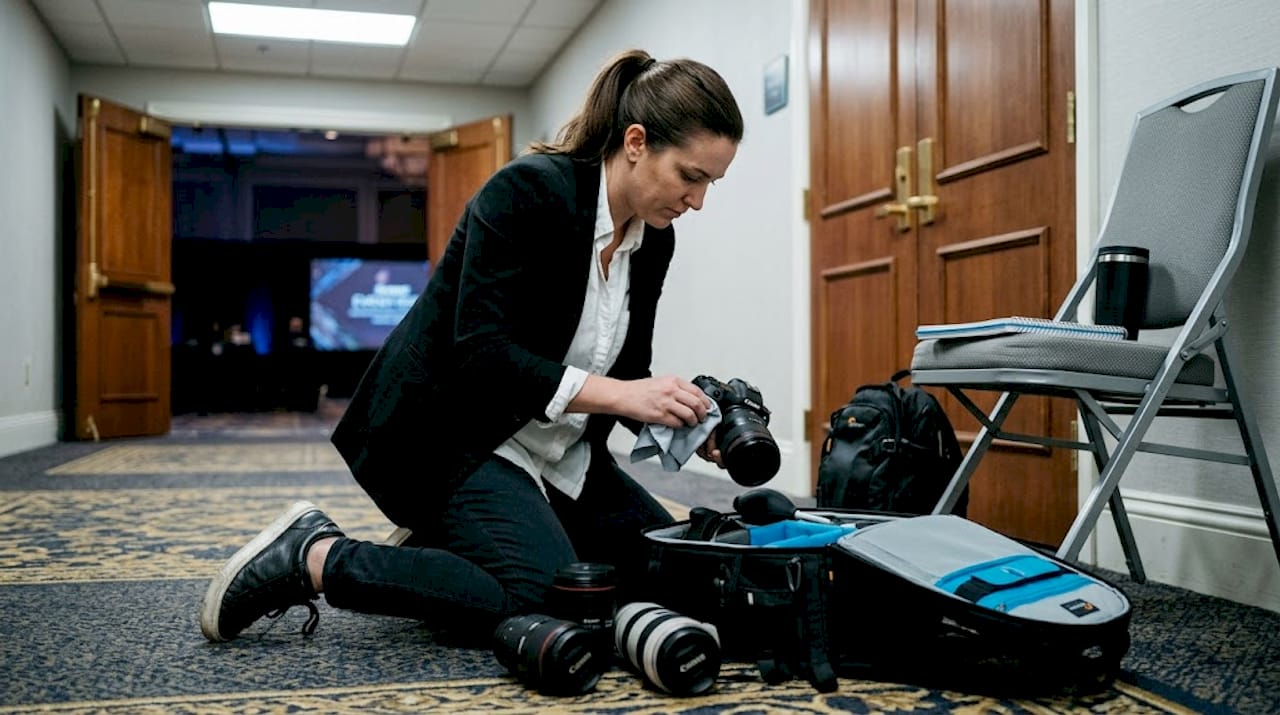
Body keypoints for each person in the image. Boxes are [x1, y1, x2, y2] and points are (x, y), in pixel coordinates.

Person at [199, 49, 744, 644]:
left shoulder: (653, 239)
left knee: (670, 577)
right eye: (691, 177)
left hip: (555, 449)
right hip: (450, 434)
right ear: (635, 141)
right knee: (544, 598)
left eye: (710, 183)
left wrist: (690, 425)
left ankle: (456, 543)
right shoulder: (528, 192)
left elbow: (625, 376)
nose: (698, 201)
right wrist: (624, 395)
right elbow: (480, 354)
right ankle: (315, 555)